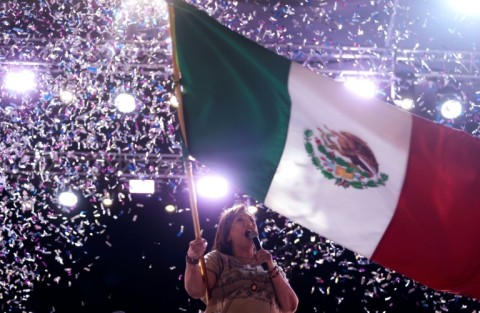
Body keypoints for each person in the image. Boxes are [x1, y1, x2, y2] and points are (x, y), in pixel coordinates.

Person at [184, 204, 299, 313]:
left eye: (252, 220)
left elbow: (290, 307)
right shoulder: (218, 258)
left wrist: (272, 269)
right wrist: (192, 259)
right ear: (228, 235)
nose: (249, 223)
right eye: (240, 220)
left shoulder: (270, 265)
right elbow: (196, 291)